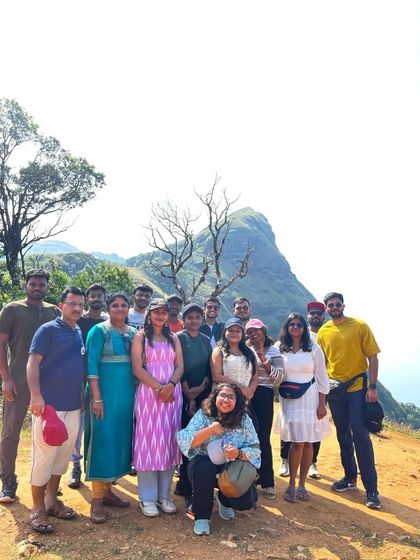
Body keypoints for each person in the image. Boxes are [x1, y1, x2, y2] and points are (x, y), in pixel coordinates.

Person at [26, 287, 86, 533]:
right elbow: (32, 362)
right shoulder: (48, 330)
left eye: (80, 304)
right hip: (49, 407)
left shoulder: (78, 331)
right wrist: (36, 396)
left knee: (61, 458)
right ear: (61, 305)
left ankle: (52, 501)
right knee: (43, 458)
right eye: (72, 303)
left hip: (73, 407)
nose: (77, 308)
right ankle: (38, 508)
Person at [317, 292, 382, 509]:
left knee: (361, 435)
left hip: (357, 388)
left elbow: (372, 357)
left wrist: (372, 387)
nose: (334, 307)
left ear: (343, 305)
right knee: (343, 433)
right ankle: (350, 477)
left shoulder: (359, 326)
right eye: (330, 305)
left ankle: (372, 490)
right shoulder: (324, 331)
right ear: (327, 309)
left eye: (337, 304)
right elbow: (323, 363)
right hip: (336, 389)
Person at [0, 269, 60, 503]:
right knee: (11, 433)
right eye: (33, 284)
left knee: (50, 432)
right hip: (18, 381)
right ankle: (7, 481)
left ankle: (46, 482)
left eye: (41, 284)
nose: (37, 288)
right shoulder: (12, 310)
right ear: (26, 286)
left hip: (49, 384)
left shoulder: (53, 311)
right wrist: (6, 378)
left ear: (47, 286)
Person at [176, 383, 261, 536]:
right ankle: (202, 516)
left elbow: (256, 450)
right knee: (203, 467)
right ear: (215, 397)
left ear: (238, 401)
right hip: (204, 464)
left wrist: (239, 453)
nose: (226, 400)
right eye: (222, 395)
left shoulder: (244, 419)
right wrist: (211, 429)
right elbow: (184, 439)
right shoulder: (203, 415)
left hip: (231, 465)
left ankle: (224, 500)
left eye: (231, 397)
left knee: (246, 501)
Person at [84, 293, 136, 523]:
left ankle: (107, 492)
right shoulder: (98, 331)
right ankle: (96, 502)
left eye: (124, 305)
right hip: (103, 395)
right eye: (115, 305)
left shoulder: (134, 333)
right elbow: (91, 364)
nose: (119, 308)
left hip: (125, 396)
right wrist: (96, 398)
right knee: (103, 440)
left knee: (119, 439)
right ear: (109, 308)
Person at [131, 298, 184, 517]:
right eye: (157, 311)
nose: (161, 315)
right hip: (149, 397)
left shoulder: (173, 338)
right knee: (148, 443)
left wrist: (170, 386)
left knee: (169, 442)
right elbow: (137, 368)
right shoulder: (141, 337)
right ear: (149, 314)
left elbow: (180, 365)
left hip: (172, 396)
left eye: (164, 311)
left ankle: (164, 496)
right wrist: (159, 388)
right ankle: (147, 498)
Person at [277, 313, 331, 503]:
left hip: (310, 398)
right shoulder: (280, 348)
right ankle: (291, 484)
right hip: (290, 400)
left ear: (303, 328)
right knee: (296, 442)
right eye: (292, 324)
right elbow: (275, 371)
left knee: (308, 442)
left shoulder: (313, 349)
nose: (296, 327)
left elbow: (323, 377)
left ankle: (302, 485)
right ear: (287, 327)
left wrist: (322, 404)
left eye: (299, 324)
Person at [68, 283, 107, 489]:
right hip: (78, 379)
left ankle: (100, 467)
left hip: (102, 381)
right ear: (87, 299)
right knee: (77, 425)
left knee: (99, 424)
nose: (96, 298)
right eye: (92, 295)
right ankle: (75, 465)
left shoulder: (107, 324)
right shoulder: (78, 321)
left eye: (100, 295)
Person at [175, 303, 212, 502]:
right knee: (186, 438)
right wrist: (187, 390)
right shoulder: (178, 338)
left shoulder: (206, 340)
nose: (194, 321)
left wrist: (204, 385)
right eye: (190, 317)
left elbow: (210, 365)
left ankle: (197, 482)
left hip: (203, 394)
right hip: (182, 393)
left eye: (198, 317)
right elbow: (178, 364)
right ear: (184, 319)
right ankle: (184, 484)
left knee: (201, 439)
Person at [246, 319, 284, 500]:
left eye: (257, 331)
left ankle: (268, 481)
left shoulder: (274, 350)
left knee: (263, 437)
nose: (254, 334)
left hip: (264, 394)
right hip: (246, 394)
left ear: (264, 330)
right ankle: (249, 478)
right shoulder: (245, 347)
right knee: (247, 436)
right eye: (250, 332)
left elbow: (279, 377)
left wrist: (264, 359)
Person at [211, 318, 257, 402]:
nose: (234, 333)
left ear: (242, 334)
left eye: (238, 331)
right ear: (225, 332)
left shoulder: (250, 353)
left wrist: (250, 392)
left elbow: (254, 377)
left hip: (244, 400)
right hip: (224, 399)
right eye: (231, 330)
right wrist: (241, 388)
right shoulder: (219, 351)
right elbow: (216, 377)